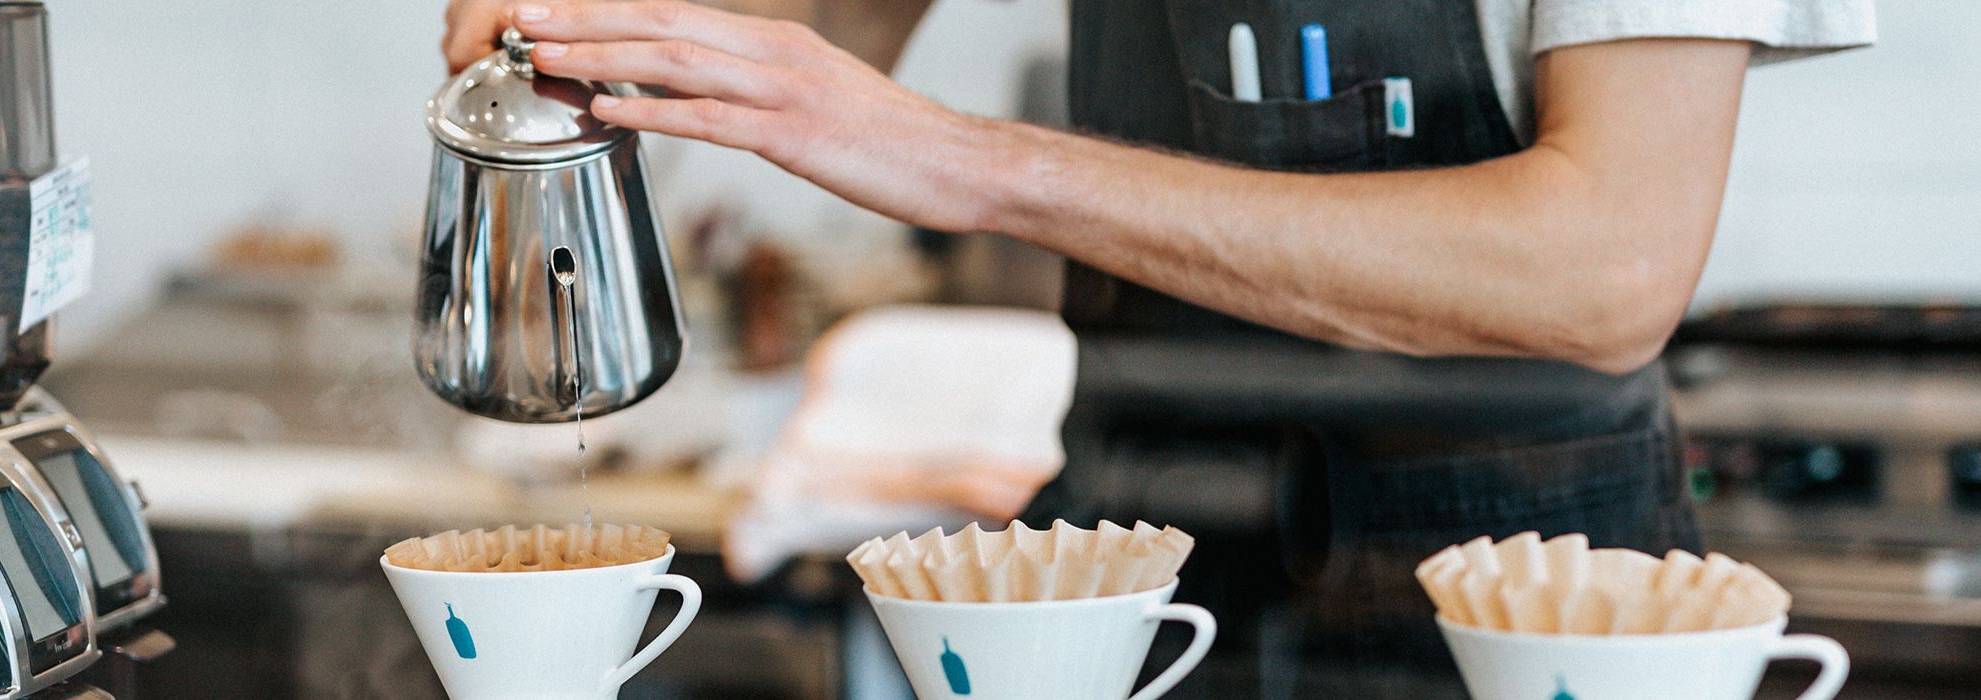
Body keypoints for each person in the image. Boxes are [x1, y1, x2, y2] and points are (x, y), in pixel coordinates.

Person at [445, 0, 1873, 693]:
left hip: (1519, 593)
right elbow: (820, 26)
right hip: (1135, 560)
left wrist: (975, 167)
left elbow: (1606, 267)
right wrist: (609, 25)